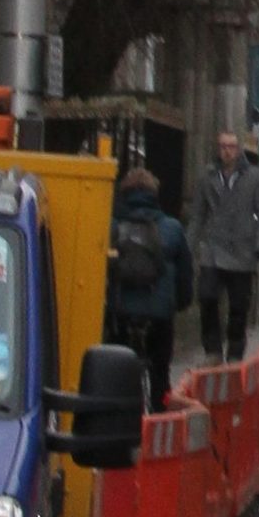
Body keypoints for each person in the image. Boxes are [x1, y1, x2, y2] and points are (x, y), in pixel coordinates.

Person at [104, 163, 191, 410]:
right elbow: (185, 275)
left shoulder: (111, 227)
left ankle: (119, 415)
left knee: (117, 367)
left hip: (121, 310)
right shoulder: (172, 228)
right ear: (155, 195)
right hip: (159, 313)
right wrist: (180, 303)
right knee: (160, 370)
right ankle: (160, 418)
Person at [191, 129, 259, 359]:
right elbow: (198, 215)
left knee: (238, 307)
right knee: (207, 297)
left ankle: (235, 352)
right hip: (214, 248)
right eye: (223, 146)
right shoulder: (208, 177)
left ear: (238, 150)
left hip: (242, 251)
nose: (227, 151)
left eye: (231, 147)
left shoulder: (254, 177)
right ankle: (213, 351)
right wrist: (189, 245)